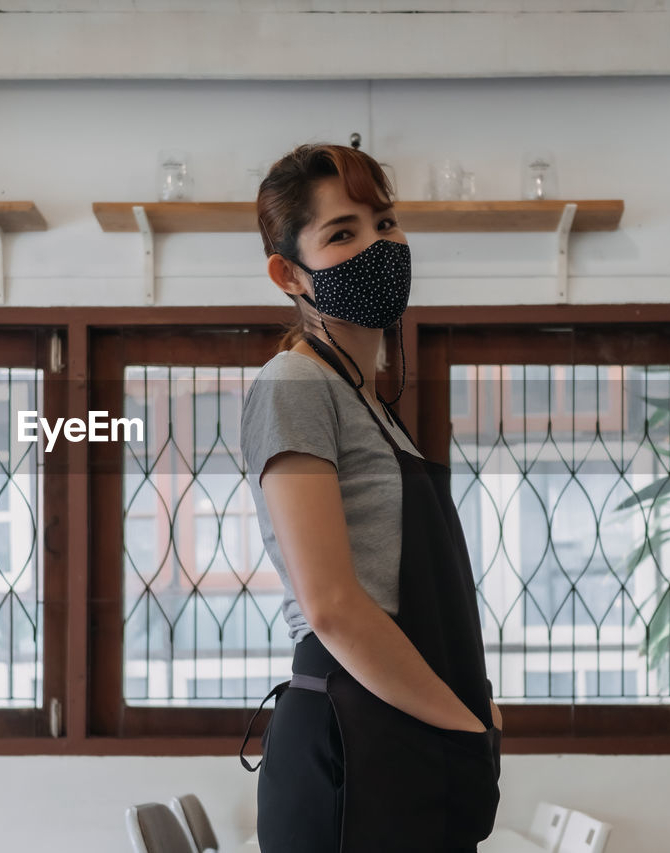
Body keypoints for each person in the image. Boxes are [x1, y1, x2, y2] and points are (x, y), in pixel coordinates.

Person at [237, 143, 503, 853]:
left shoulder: (370, 404)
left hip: (401, 733)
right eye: (342, 233)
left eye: (384, 223)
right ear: (287, 273)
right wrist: (462, 723)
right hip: (352, 744)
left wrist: (473, 707)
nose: (377, 245)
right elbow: (332, 603)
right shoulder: (294, 384)